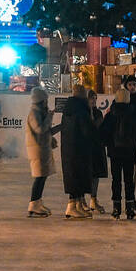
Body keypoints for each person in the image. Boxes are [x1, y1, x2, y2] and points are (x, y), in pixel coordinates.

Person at [102, 88, 136, 219]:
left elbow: (104, 133)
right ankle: (130, 207)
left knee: (116, 180)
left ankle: (116, 207)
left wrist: (109, 145)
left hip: (115, 152)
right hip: (130, 152)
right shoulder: (134, 114)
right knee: (129, 180)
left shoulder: (111, 114)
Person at [60, 83, 98, 219]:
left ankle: (77, 205)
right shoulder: (81, 110)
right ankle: (72, 206)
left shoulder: (69, 108)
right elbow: (87, 131)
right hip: (79, 149)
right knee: (78, 176)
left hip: (70, 149)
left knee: (74, 176)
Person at [25, 87, 60, 217]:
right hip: (37, 150)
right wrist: (50, 117)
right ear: (41, 101)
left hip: (42, 149)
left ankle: (37, 202)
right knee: (39, 177)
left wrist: (61, 126)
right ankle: (33, 204)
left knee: (42, 177)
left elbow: (47, 131)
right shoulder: (34, 113)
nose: (47, 102)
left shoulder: (40, 112)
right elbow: (40, 129)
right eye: (45, 100)